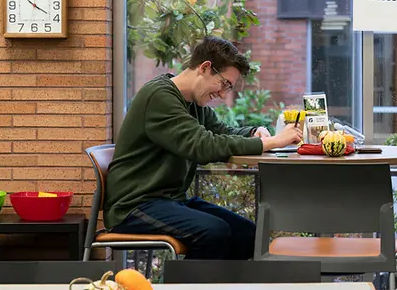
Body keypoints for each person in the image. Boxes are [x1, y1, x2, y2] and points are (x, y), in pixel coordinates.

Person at [103, 36, 303, 260]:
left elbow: (220, 131)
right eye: (224, 83)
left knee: (247, 235)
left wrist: (253, 132)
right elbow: (203, 145)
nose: (223, 94)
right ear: (205, 67)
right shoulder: (160, 96)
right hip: (134, 205)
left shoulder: (192, 103)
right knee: (213, 232)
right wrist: (273, 142)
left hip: (170, 200)